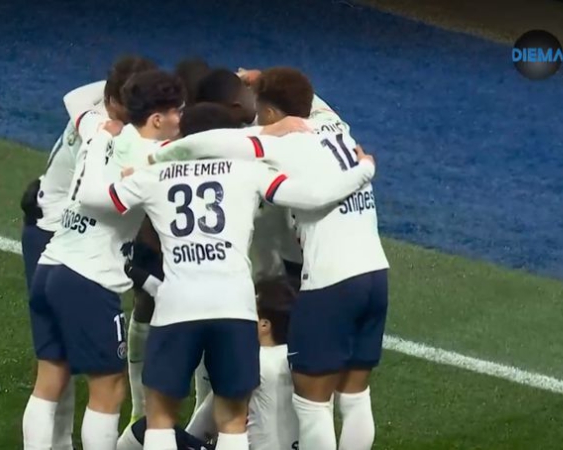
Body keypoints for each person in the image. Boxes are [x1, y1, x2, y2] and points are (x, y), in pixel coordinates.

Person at [76, 114, 376, 450]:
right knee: (233, 421)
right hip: (235, 309)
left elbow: (92, 196)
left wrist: (98, 142)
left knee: (159, 418)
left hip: (177, 307)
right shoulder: (248, 171)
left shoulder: (154, 175)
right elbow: (314, 196)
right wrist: (363, 170)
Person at [149, 66, 389, 450]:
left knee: (313, 404)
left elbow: (213, 143)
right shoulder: (336, 126)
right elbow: (311, 100)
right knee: (356, 396)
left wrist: (267, 131)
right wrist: (266, 79)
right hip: (375, 274)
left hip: (331, 281)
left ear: (274, 112)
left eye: (261, 109)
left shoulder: (284, 142)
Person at [21, 69, 184, 450]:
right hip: (89, 279)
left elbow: (77, 102)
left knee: (49, 379)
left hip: (51, 266)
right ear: (156, 119)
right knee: (108, 387)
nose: (181, 118)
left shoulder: (101, 130)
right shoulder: (154, 159)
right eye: (176, 112)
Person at [117, 277, 299, 450]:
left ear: (264, 325)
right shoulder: (297, 360)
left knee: (146, 430)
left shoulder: (252, 361)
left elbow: (201, 428)